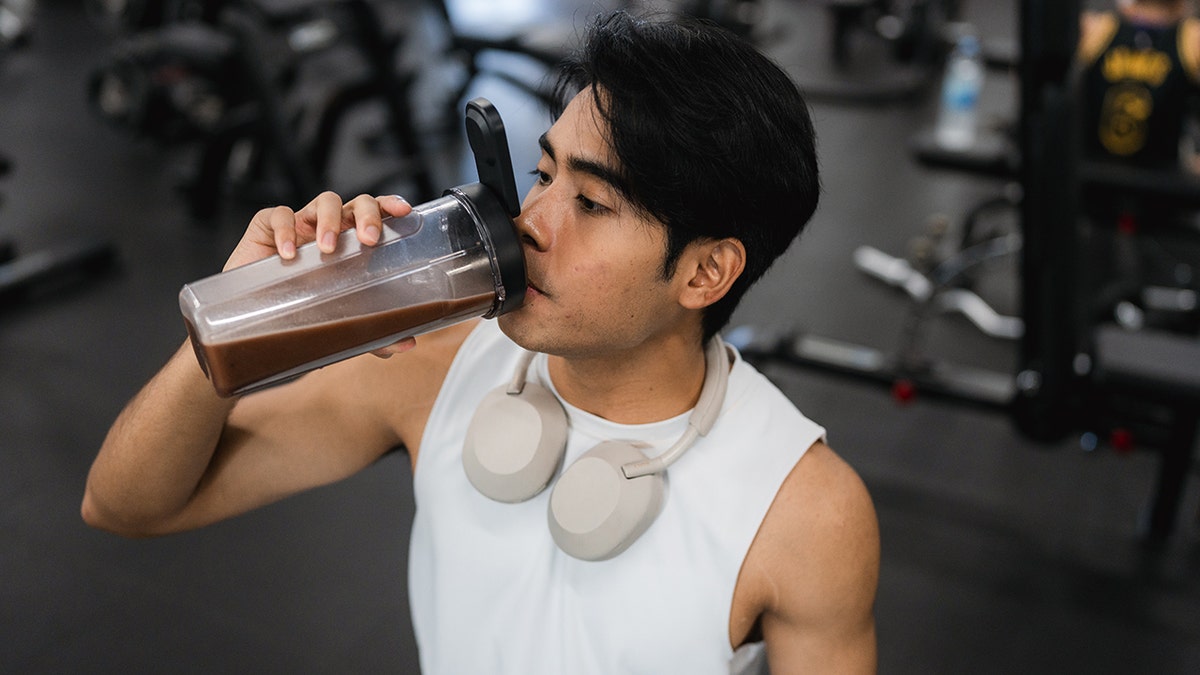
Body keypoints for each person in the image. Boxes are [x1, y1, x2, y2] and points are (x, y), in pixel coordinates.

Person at [82, 10, 880, 674]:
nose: (530, 220)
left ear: (707, 272)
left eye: (592, 203)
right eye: (542, 174)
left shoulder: (806, 512)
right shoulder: (433, 365)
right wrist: (243, 316)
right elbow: (125, 505)